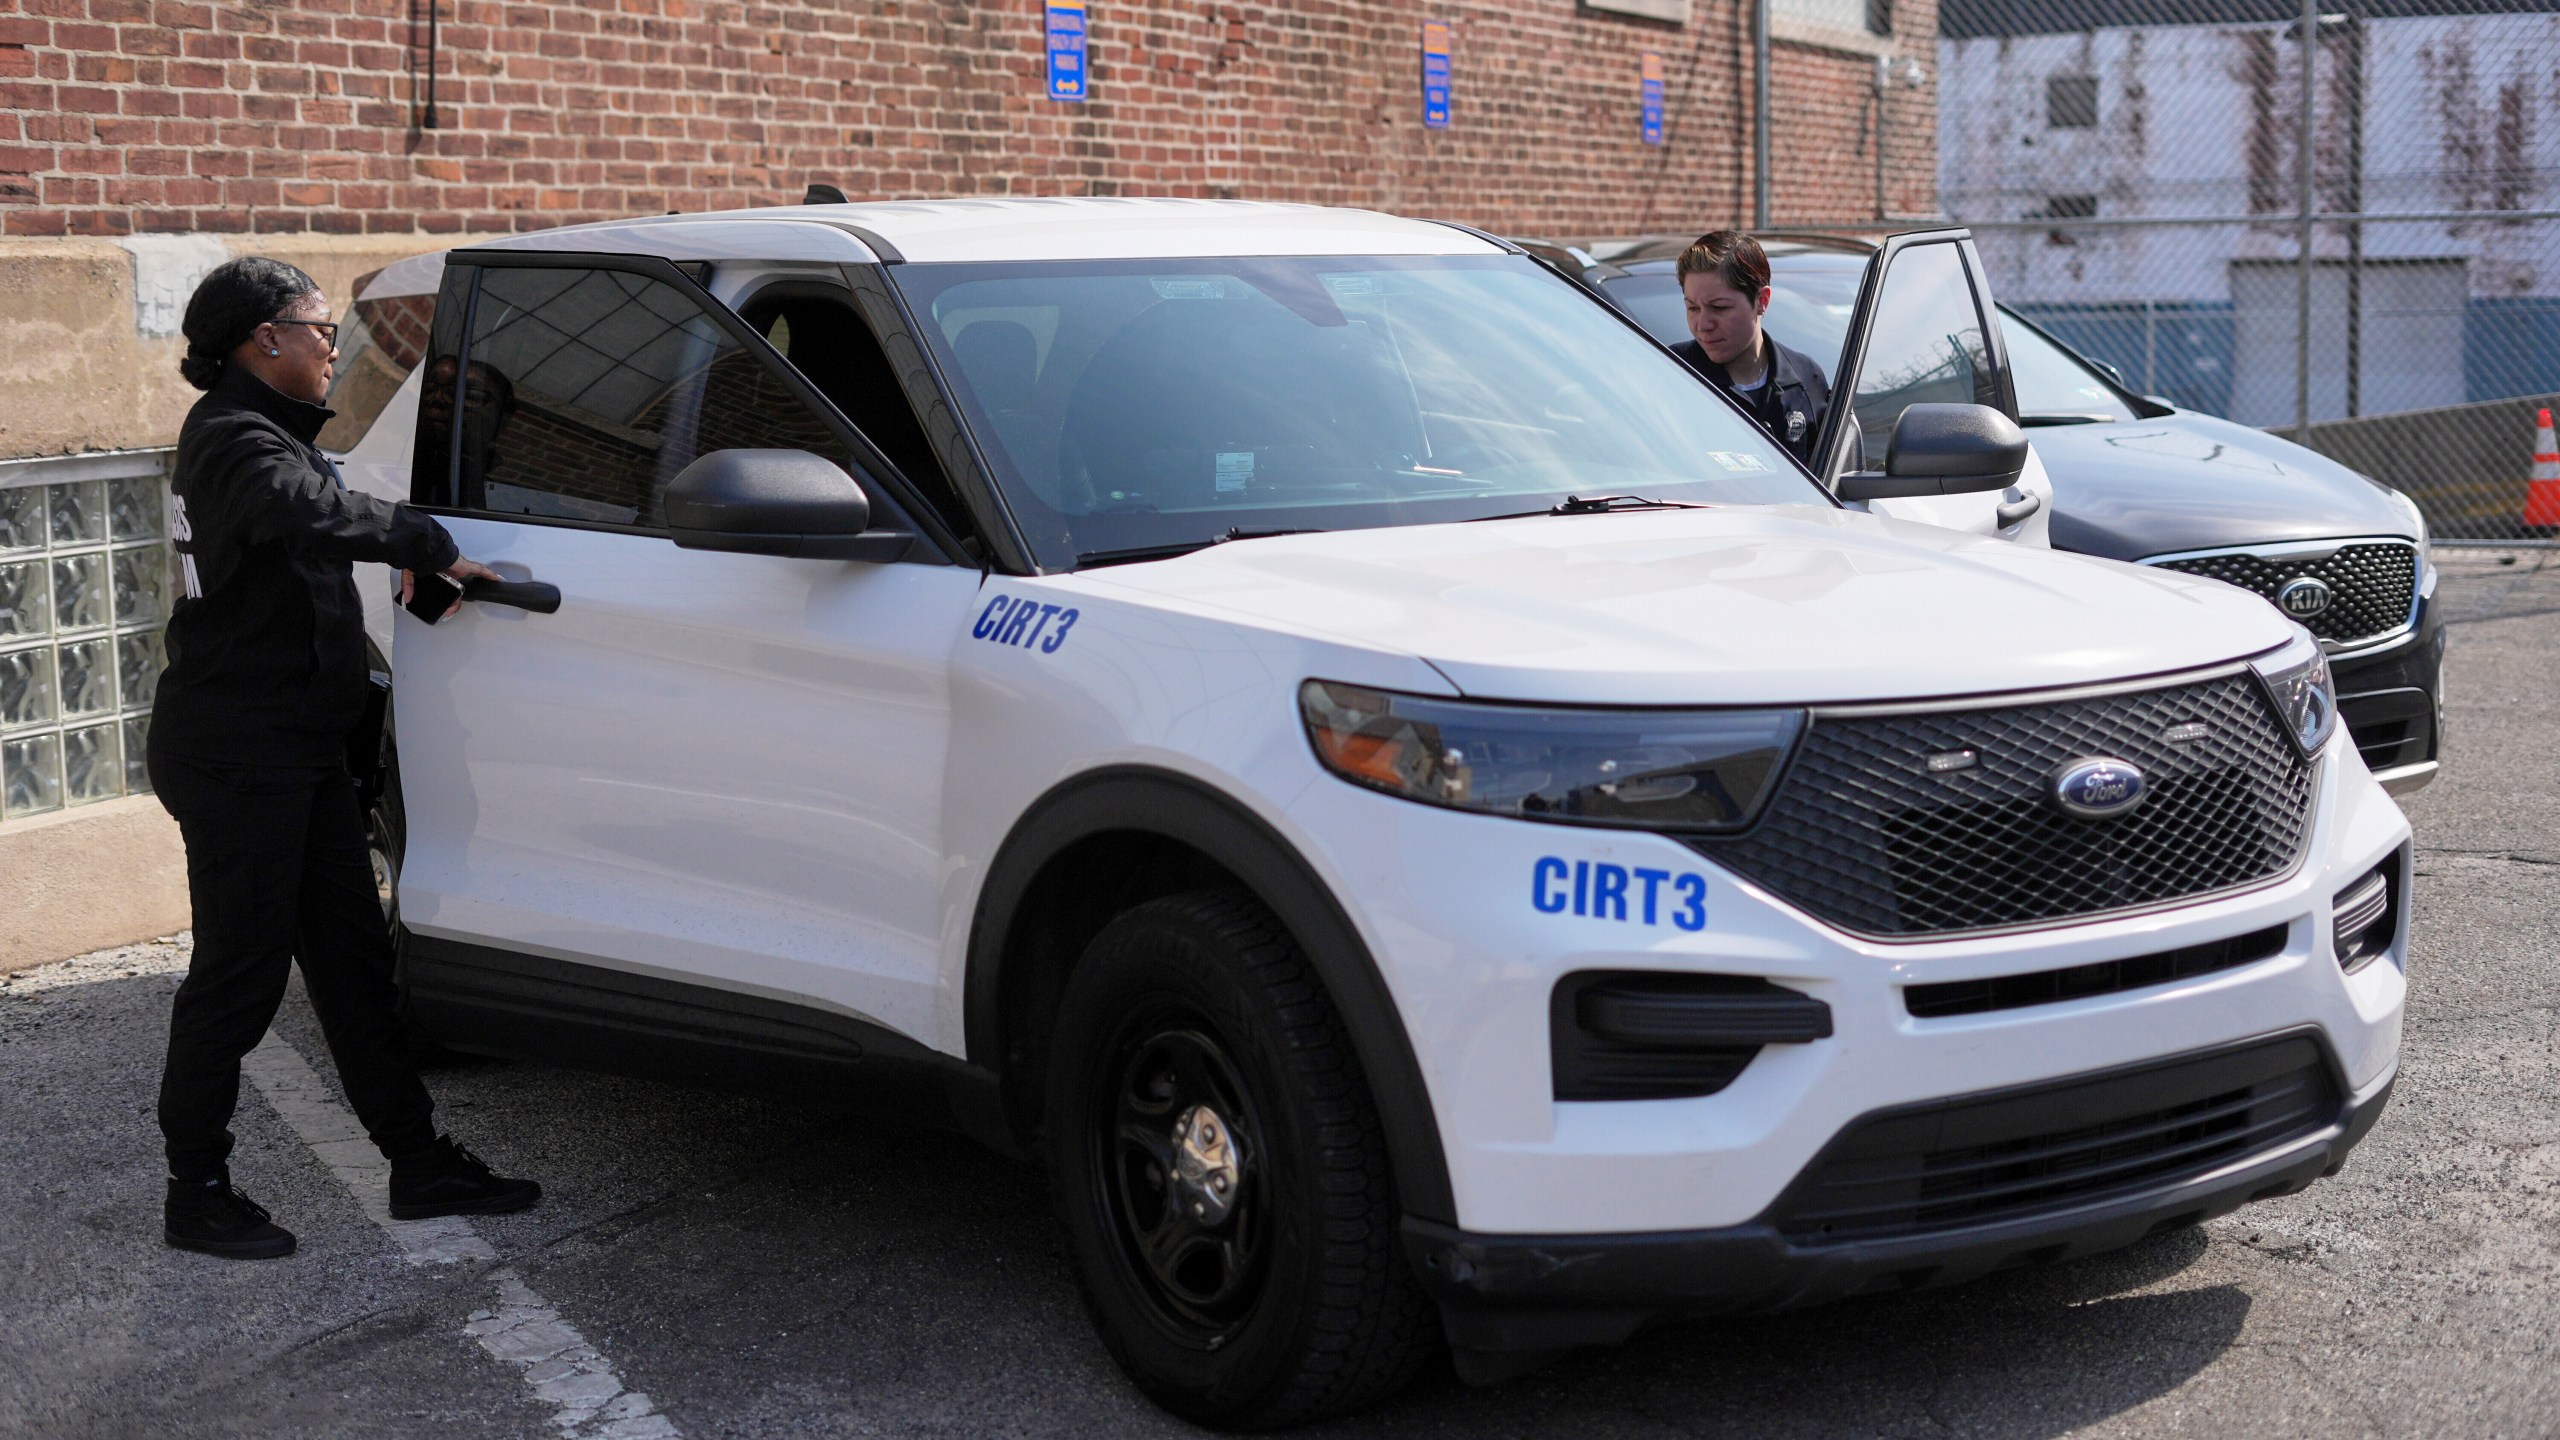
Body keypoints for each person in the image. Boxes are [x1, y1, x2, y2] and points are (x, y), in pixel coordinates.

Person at [153, 257, 541, 1259]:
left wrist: (413, 580)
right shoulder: (237, 441)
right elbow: (310, 513)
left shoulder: (270, 441)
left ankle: (417, 1163)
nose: (335, 349)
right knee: (239, 977)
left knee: (354, 964)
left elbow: (308, 552)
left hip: (295, 751)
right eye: (322, 330)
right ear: (263, 341)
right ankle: (195, 1190)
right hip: (240, 758)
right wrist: (422, 541)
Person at [1666, 230, 1831, 468]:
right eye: (1692, 308)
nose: (1703, 325)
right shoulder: (1672, 373)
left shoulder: (1805, 378)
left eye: (1720, 308)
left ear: (1761, 301)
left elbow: (1832, 482)